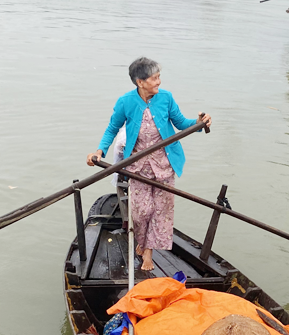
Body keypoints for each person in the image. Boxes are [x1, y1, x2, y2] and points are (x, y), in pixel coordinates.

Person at [87, 57, 212, 275]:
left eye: (159, 77)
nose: (159, 82)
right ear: (140, 82)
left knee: (161, 211)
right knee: (142, 211)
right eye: (154, 78)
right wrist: (100, 151)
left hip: (165, 163)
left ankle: (148, 252)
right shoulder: (125, 102)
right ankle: (143, 241)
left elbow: (182, 123)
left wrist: (199, 122)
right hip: (138, 166)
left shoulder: (166, 98)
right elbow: (112, 129)